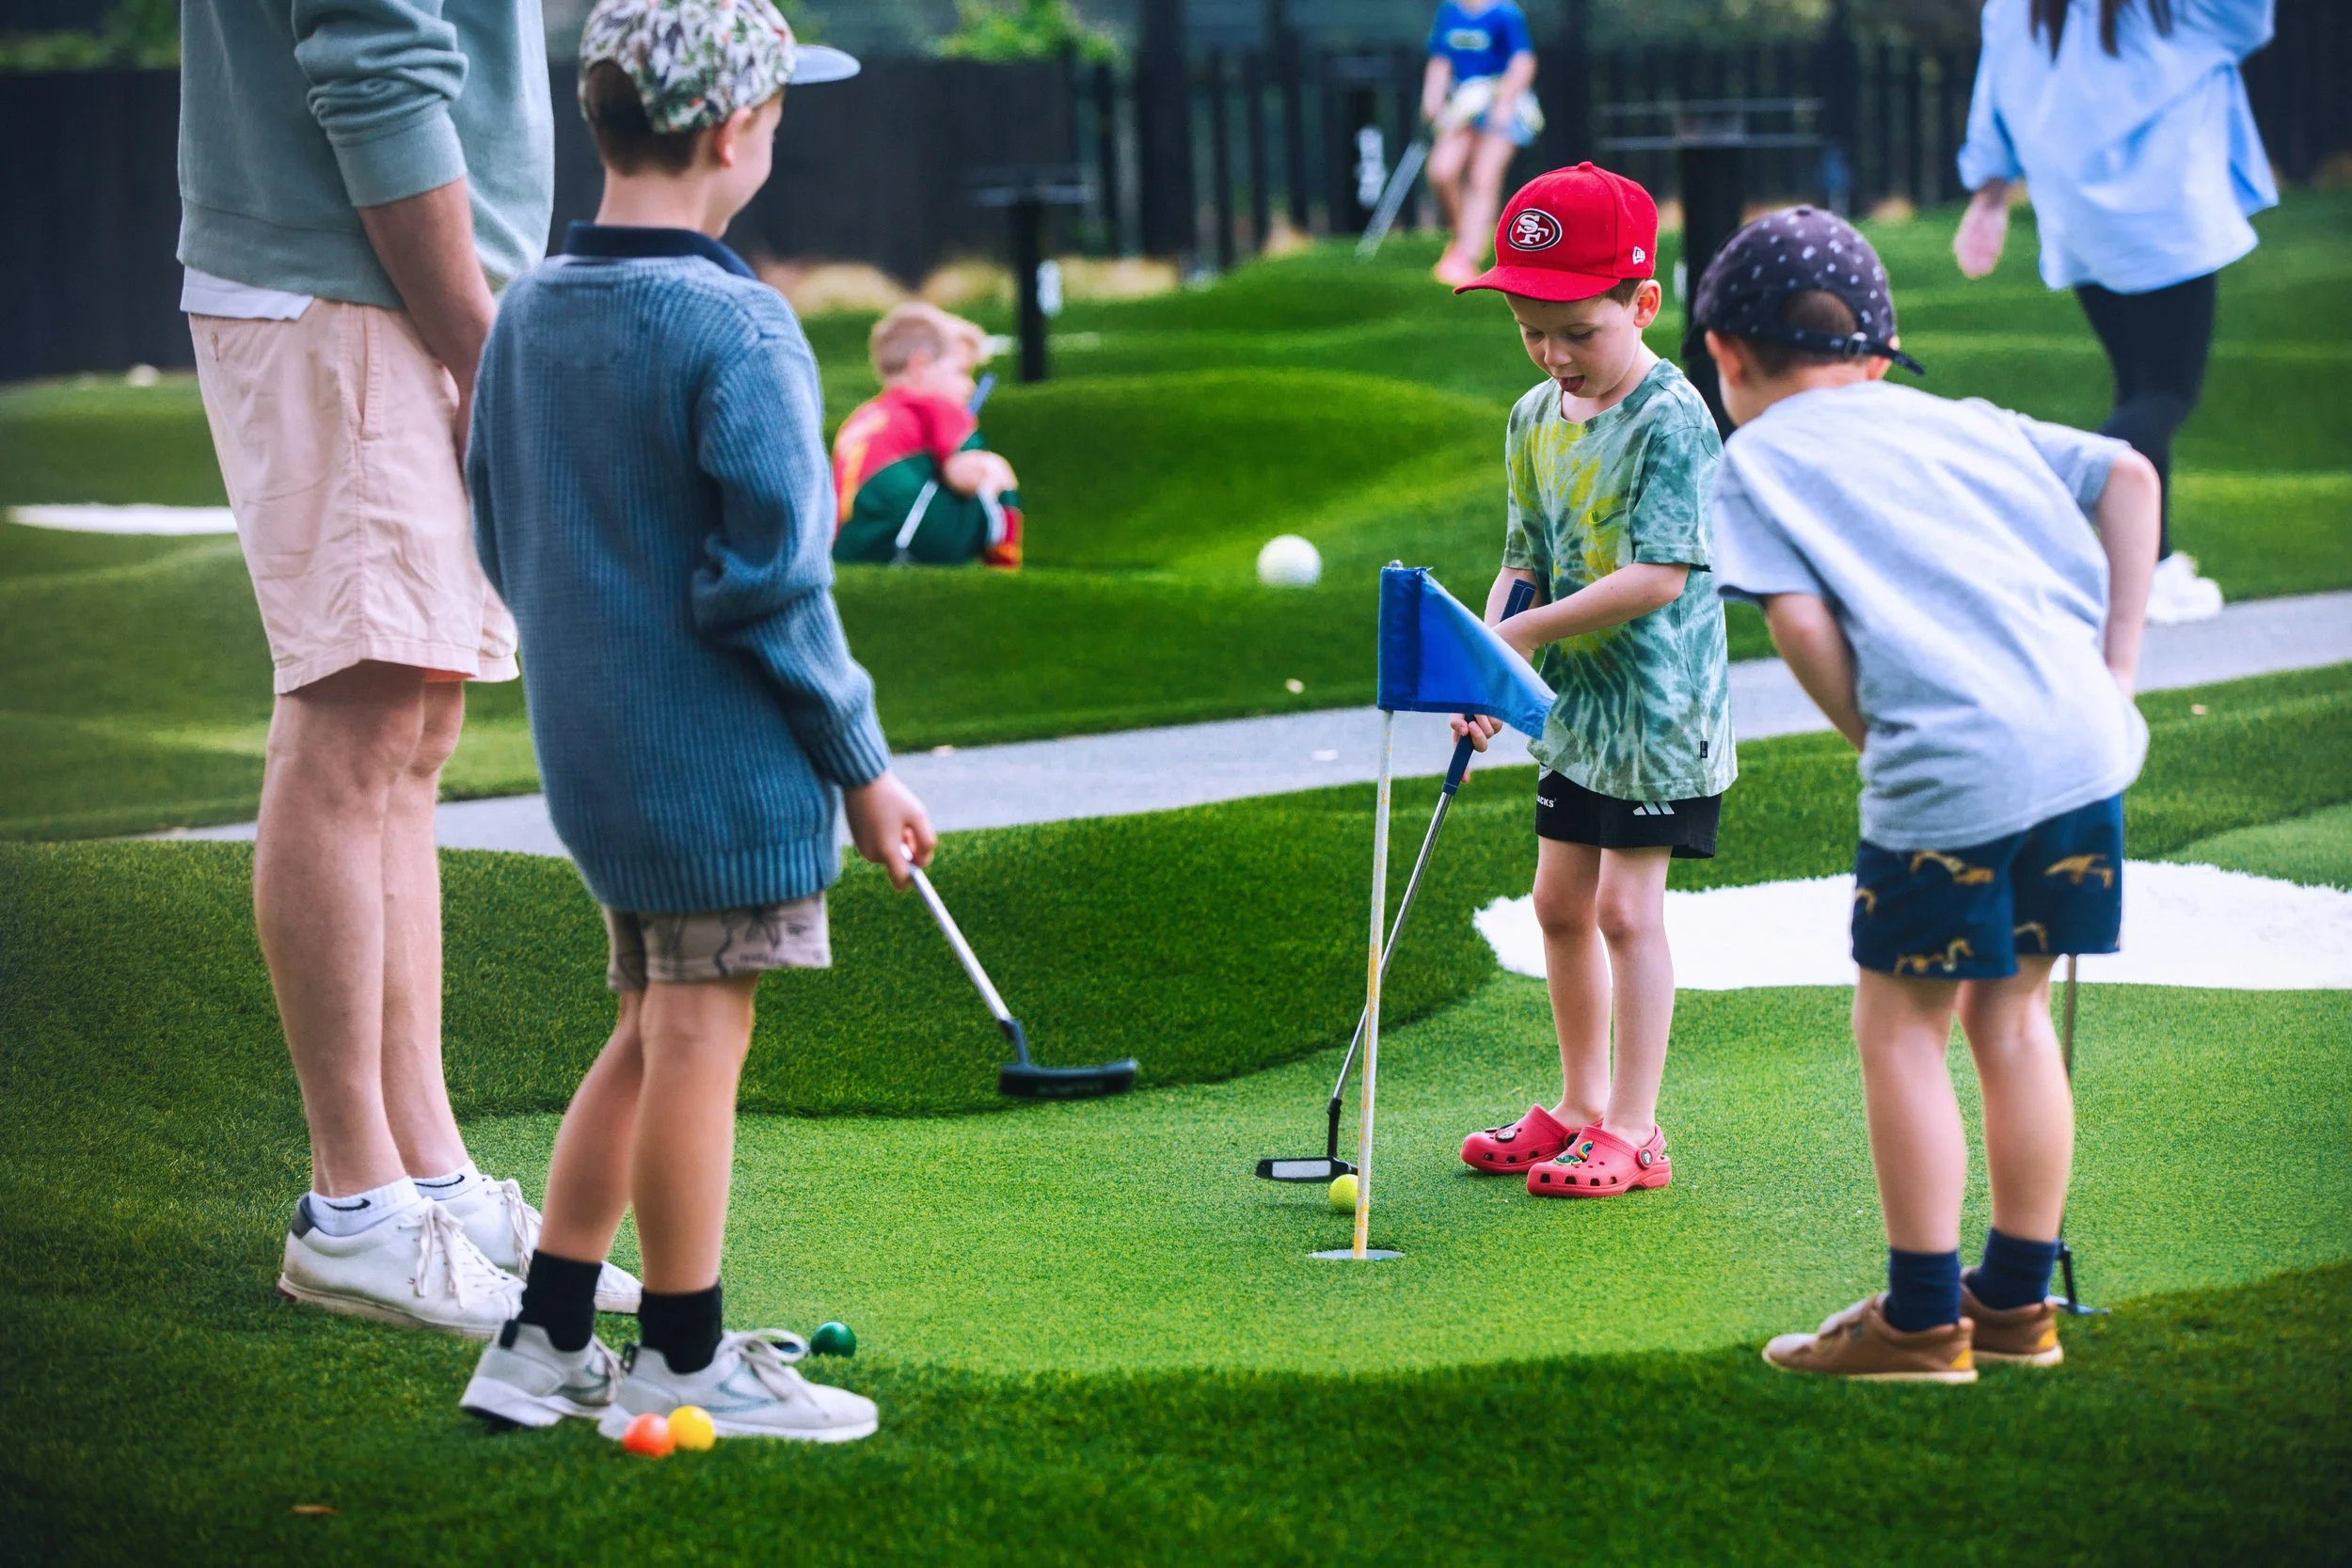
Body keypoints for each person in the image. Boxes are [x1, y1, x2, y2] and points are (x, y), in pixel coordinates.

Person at [455, 0, 933, 1443]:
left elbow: (497, 519)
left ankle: (543, 1334)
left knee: (648, 1029)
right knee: (700, 1032)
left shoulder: (531, 307)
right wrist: (861, 767)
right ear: (735, 132)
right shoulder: (738, 322)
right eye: (779, 111)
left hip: (597, 756)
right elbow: (777, 588)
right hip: (724, 770)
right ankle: (681, 1347)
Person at [179, 0, 637, 1332]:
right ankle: (355, 1209)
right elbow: (373, 68)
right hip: (353, 281)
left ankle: (424, 1170)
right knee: (352, 726)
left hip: (406, 286)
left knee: (413, 738)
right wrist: (485, 349)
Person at [1691, 207, 2158, 1381]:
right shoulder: (1973, 422)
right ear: (1877, 353)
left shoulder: (1750, 459)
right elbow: (2131, 473)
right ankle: (2012, 1305)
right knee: (2009, 1016)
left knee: (1898, 1027)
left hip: (1947, 767)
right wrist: (2114, 672)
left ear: (1725, 357)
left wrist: (1869, 734)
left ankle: (1916, 1320)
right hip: (2082, 748)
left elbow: (1799, 623)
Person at [1448, 165, 1736, 1199]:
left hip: (1662, 715)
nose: (1555, 354)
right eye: (1531, 329)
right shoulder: (1532, 416)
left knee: (1625, 910)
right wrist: (1488, 656)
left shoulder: (1674, 419)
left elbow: (1657, 577)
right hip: (1575, 712)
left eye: (1578, 329)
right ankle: (1575, 1107)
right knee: (1557, 903)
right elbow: (1522, 553)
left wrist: (1518, 634)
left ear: (1640, 303)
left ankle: (1635, 1126)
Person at [1953, 0, 2276, 624]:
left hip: (2082, 229)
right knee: (2166, 393)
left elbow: (1992, 103)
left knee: (2140, 386)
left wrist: (1988, 198)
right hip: (2167, 218)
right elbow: (2253, 19)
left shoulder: (2013, 10)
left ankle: (2151, 566)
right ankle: (2056, 494)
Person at [831, 303, 1024, 569]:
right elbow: (964, 475)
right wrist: (977, 466)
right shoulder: (935, 405)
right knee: (996, 468)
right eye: (963, 372)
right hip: (908, 535)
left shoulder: (861, 418)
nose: (969, 386)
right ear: (920, 366)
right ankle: (1005, 571)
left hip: (847, 549)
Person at [1422, 0, 1543, 289]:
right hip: (1463, 103)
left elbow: (1523, 61)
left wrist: (1505, 100)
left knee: (1483, 177)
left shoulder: (1506, 13)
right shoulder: (1450, 11)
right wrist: (1432, 100)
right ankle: (1462, 237)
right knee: (1442, 170)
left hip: (1499, 104)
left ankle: (1467, 254)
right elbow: (1440, 60)